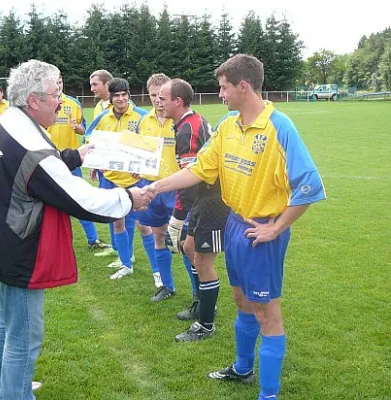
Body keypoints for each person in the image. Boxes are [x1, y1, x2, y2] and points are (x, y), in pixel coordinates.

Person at [0, 60, 154, 400]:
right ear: (32, 100)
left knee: (5, 324)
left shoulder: (9, 121)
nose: (61, 102)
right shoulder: (30, 142)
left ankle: (5, 388)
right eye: (54, 95)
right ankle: (14, 394)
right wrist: (130, 198)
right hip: (15, 249)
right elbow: (82, 199)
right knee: (24, 335)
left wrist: (76, 154)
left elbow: (39, 165)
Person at [150, 54, 326, 399]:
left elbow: (309, 185)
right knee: (241, 300)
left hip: (263, 233)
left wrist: (275, 229)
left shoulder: (280, 127)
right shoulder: (229, 125)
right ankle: (243, 368)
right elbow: (199, 169)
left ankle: (268, 394)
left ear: (243, 86)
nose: (221, 94)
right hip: (235, 224)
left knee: (266, 312)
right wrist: (155, 187)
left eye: (224, 87)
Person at [157, 78, 231, 339]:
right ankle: (202, 304)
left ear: (178, 101)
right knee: (190, 248)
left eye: (162, 98)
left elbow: (189, 182)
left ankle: (206, 325)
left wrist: (176, 220)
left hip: (213, 200)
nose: (158, 102)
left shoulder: (187, 130)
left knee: (203, 259)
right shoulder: (191, 122)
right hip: (205, 197)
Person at [85, 78, 149, 279]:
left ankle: (156, 271)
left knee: (141, 222)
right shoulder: (103, 117)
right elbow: (90, 138)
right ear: (110, 98)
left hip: (134, 178)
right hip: (111, 177)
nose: (121, 99)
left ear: (129, 95)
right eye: (117, 95)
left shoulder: (142, 116)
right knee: (116, 220)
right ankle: (125, 261)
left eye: (124, 94)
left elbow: (150, 142)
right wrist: (96, 162)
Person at [48, 72, 111, 252]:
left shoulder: (74, 104)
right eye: (55, 82)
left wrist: (76, 127)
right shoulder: (45, 103)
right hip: (50, 160)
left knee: (81, 200)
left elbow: (85, 130)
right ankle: (53, 243)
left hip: (71, 160)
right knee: (51, 202)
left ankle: (93, 239)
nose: (58, 85)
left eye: (60, 81)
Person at [133, 73, 180, 299]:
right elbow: (140, 152)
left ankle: (199, 294)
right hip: (151, 187)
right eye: (153, 95)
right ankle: (167, 286)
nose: (157, 100)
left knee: (187, 242)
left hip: (177, 188)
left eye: (162, 96)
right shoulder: (144, 121)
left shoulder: (181, 120)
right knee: (158, 234)